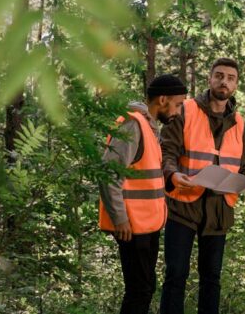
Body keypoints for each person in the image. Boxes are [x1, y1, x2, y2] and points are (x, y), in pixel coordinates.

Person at [159, 57, 245, 314]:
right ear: (210, 78)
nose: (223, 81)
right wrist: (172, 175)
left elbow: (244, 165)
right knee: (175, 276)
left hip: (219, 210)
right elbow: (167, 153)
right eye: (219, 75)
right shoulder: (185, 110)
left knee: (212, 279)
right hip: (183, 206)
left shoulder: (239, 123)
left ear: (236, 85)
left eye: (230, 78)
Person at [98, 74, 188, 314]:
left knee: (145, 288)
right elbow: (108, 174)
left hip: (146, 225)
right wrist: (120, 219)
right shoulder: (132, 124)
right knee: (139, 290)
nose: (179, 111)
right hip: (131, 226)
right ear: (162, 100)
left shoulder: (148, 127)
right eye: (178, 104)